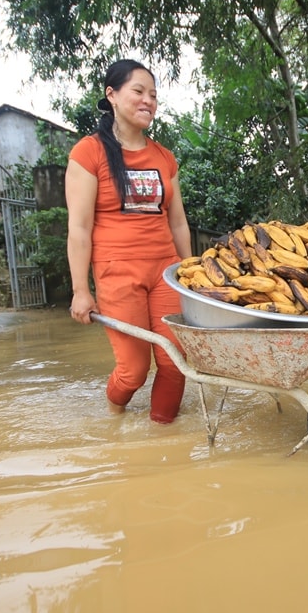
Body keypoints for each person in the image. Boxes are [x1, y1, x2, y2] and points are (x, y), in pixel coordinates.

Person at [66, 59, 192, 424]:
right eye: (138, 91)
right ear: (112, 94)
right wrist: (80, 290)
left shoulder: (165, 158)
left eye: (153, 95)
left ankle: (163, 437)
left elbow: (179, 222)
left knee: (175, 361)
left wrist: (192, 276)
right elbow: (79, 228)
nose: (148, 100)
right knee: (133, 370)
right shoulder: (88, 153)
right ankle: (114, 415)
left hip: (166, 272)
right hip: (116, 272)